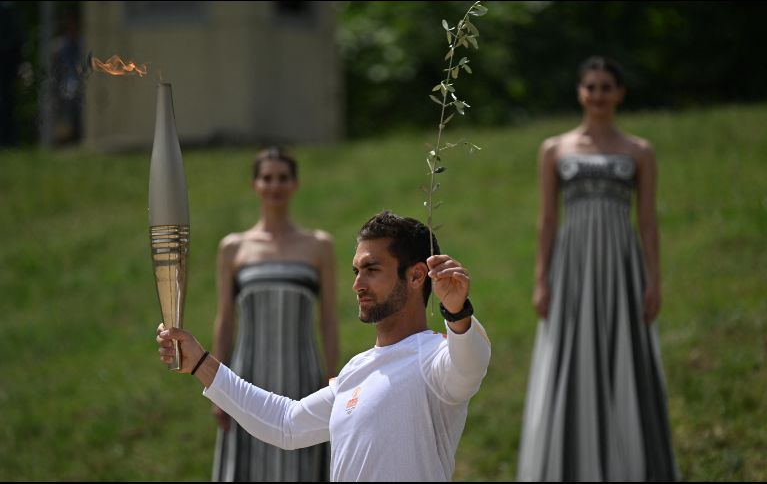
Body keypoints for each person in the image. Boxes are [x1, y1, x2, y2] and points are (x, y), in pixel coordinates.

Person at [157, 211, 491, 482]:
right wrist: (200, 363)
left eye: (372, 269)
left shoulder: (435, 358)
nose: (357, 285)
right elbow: (286, 423)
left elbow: (470, 365)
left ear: (417, 277)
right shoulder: (355, 371)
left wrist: (457, 311)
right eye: (356, 271)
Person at [516, 56, 677, 481]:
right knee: (572, 352)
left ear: (620, 93)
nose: (599, 94)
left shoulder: (639, 151)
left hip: (623, 265)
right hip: (572, 268)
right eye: (591, 86)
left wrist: (653, 280)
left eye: (607, 86)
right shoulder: (554, 148)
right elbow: (548, 219)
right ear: (580, 92)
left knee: (626, 351)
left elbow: (647, 221)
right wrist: (541, 279)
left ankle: (631, 464)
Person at [209, 147, 339, 481]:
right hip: (246, 375)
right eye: (267, 178)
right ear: (255, 184)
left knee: (302, 465)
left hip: (303, 377)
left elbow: (328, 319)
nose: (275, 185)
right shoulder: (233, 248)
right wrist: (217, 388)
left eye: (283, 178)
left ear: (295, 184)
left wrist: (334, 379)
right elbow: (225, 320)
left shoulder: (319, 246)